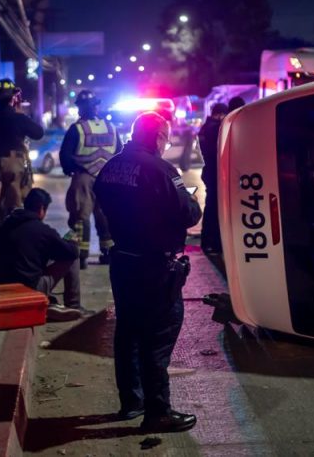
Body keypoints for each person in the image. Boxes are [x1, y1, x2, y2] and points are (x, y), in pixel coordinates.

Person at [95, 112, 202, 433]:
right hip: (155, 265)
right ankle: (158, 411)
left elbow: (103, 198)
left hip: (124, 259)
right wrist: (188, 201)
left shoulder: (112, 166)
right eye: (165, 136)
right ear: (156, 136)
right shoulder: (162, 170)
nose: (167, 142)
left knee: (128, 332)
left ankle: (132, 401)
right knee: (158, 335)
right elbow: (188, 213)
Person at [0, 188, 83, 322]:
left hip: (2, 287)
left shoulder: (7, 223)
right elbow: (70, 253)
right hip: (28, 289)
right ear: (42, 208)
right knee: (72, 256)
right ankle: (73, 304)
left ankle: (50, 303)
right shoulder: (42, 230)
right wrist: (72, 242)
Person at [60, 90, 122, 269]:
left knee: (80, 216)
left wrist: (70, 170)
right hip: (107, 178)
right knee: (105, 216)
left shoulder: (77, 129)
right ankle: (108, 253)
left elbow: (65, 155)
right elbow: (119, 152)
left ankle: (81, 256)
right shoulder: (111, 127)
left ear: (81, 107)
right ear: (96, 106)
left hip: (83, 177)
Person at [0, 78, 45, 236]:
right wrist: (20, 111)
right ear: (13, 98)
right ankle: (13, 242)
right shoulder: (18, 118)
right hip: (13, 166)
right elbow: (38, 133)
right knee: (14, 206)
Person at [197, 102, 229, 255]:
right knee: (214, 209)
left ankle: (207, 241)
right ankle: (212, 243)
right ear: (221, 114)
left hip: (209, 171)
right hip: (214, 172)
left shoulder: (205, 127)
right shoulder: (215, 128)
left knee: (211, 207)